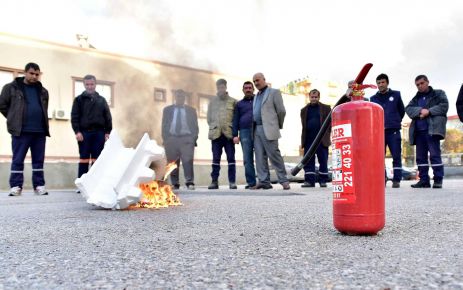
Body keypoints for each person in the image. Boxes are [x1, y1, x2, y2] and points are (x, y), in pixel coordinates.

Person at [0, 62, 50, 196]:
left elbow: (44, 109)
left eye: (37, 74)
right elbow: (3, 106)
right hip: (21, 131)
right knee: (18, 159)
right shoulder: (11, 88)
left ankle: (39, 186)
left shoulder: (43, 91)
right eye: (32, 73)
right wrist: (13, 118)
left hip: (39, 131)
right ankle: (16, 186)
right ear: (25, 72)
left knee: (39, 160)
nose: (34, 76)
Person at [405, 75, 448, 188]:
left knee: (434, 155)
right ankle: (424, 180)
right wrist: (421, 110)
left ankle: (438, 180)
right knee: (420, 158)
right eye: (417, 85)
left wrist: (429, 111)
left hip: (432, 131)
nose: (420, 86)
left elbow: (444, 106)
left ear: (427, 82)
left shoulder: (438, 93)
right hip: (419, 132)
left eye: (422, 83)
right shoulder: (416, 98)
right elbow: (408, 109)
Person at [71, 74, 112, 189]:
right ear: (84, 85)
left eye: (92, 84)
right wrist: (77, 131)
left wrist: (107, 132)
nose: (90, 86)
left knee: (97, 160)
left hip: (99, 133)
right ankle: (82, 186)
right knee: (84, 159)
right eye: (87, 84)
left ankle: (95, 185)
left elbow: (108, 117)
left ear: (95, 84)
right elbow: (74, 116)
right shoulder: (78, 100)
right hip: (84, 133)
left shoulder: (102, 100)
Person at [252, 72, 290, 190]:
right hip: (256, 129)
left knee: (274, 155)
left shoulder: (274, 92)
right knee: (259, 156)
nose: (256, 83)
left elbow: (281, 111)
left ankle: (283, 180)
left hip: (269, 128)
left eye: (258, 80)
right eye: (254, 81)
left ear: (264, 79)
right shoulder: (256, 96)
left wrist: (277, 125)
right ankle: (264, 181)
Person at [370, 74, 405, 188]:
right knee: (379, 157)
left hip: (393, 130)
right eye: (378, 83)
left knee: (396, 156)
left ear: (387, 83)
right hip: (379, 132)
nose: (380, 85)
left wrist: (395, 120)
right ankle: (382, 179)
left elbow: (401, 111)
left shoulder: (396, 94)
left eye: (382, 82)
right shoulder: (373, 99)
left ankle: (397, 180)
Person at [161, 89, 199, 190]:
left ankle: (189, 182)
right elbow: (164, 125)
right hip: (171, 139)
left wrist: (193, 138)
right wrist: (166, 139)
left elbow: (195, 126)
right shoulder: (167, 110)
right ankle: (175, 183)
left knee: (188, 161)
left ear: (184, 98)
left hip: (186, 138)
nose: (180, 98)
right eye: (178, 96)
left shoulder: (191, 110)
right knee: (172, 162)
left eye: (182, 96)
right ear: (175, 97)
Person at [207, 79, 237, 189]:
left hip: (229, 135)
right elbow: (209, 118)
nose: (221, 89)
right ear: (217, 88)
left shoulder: (233, 101)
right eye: (219, 87)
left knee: (231, 159)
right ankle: (214, 181)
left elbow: (236, 118)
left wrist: (234, 132)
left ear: (226, 87)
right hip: (216, 135)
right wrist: (215, 127)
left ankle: (232, 182)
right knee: (215, 159)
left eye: (223, 87)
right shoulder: (212, 102)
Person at [300, 89, 331, 188]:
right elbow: (303, 125)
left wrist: (326, 133)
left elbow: (330, 123)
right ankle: (309, 181)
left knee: (323, 160)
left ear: (319, 97)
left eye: (316, 97)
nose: (314, 99)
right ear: (309, 97)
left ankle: (323, 181)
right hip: (309, 139)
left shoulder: (326, 108)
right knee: (308, 161)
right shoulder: (304, 110)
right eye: (312, 97)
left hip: (322, 139)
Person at [232, 81, 257, 189]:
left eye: (250, 88)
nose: (248, 89)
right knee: (247, 158)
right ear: (243, 90)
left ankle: (264, 181)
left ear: (253, 89)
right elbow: (235, 119)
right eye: (246, 88)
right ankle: (251, 183)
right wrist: (235, 135)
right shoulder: (239, 104)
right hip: (244, 131)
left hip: (258, 130)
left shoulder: (258, 100)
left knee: (261, 157)